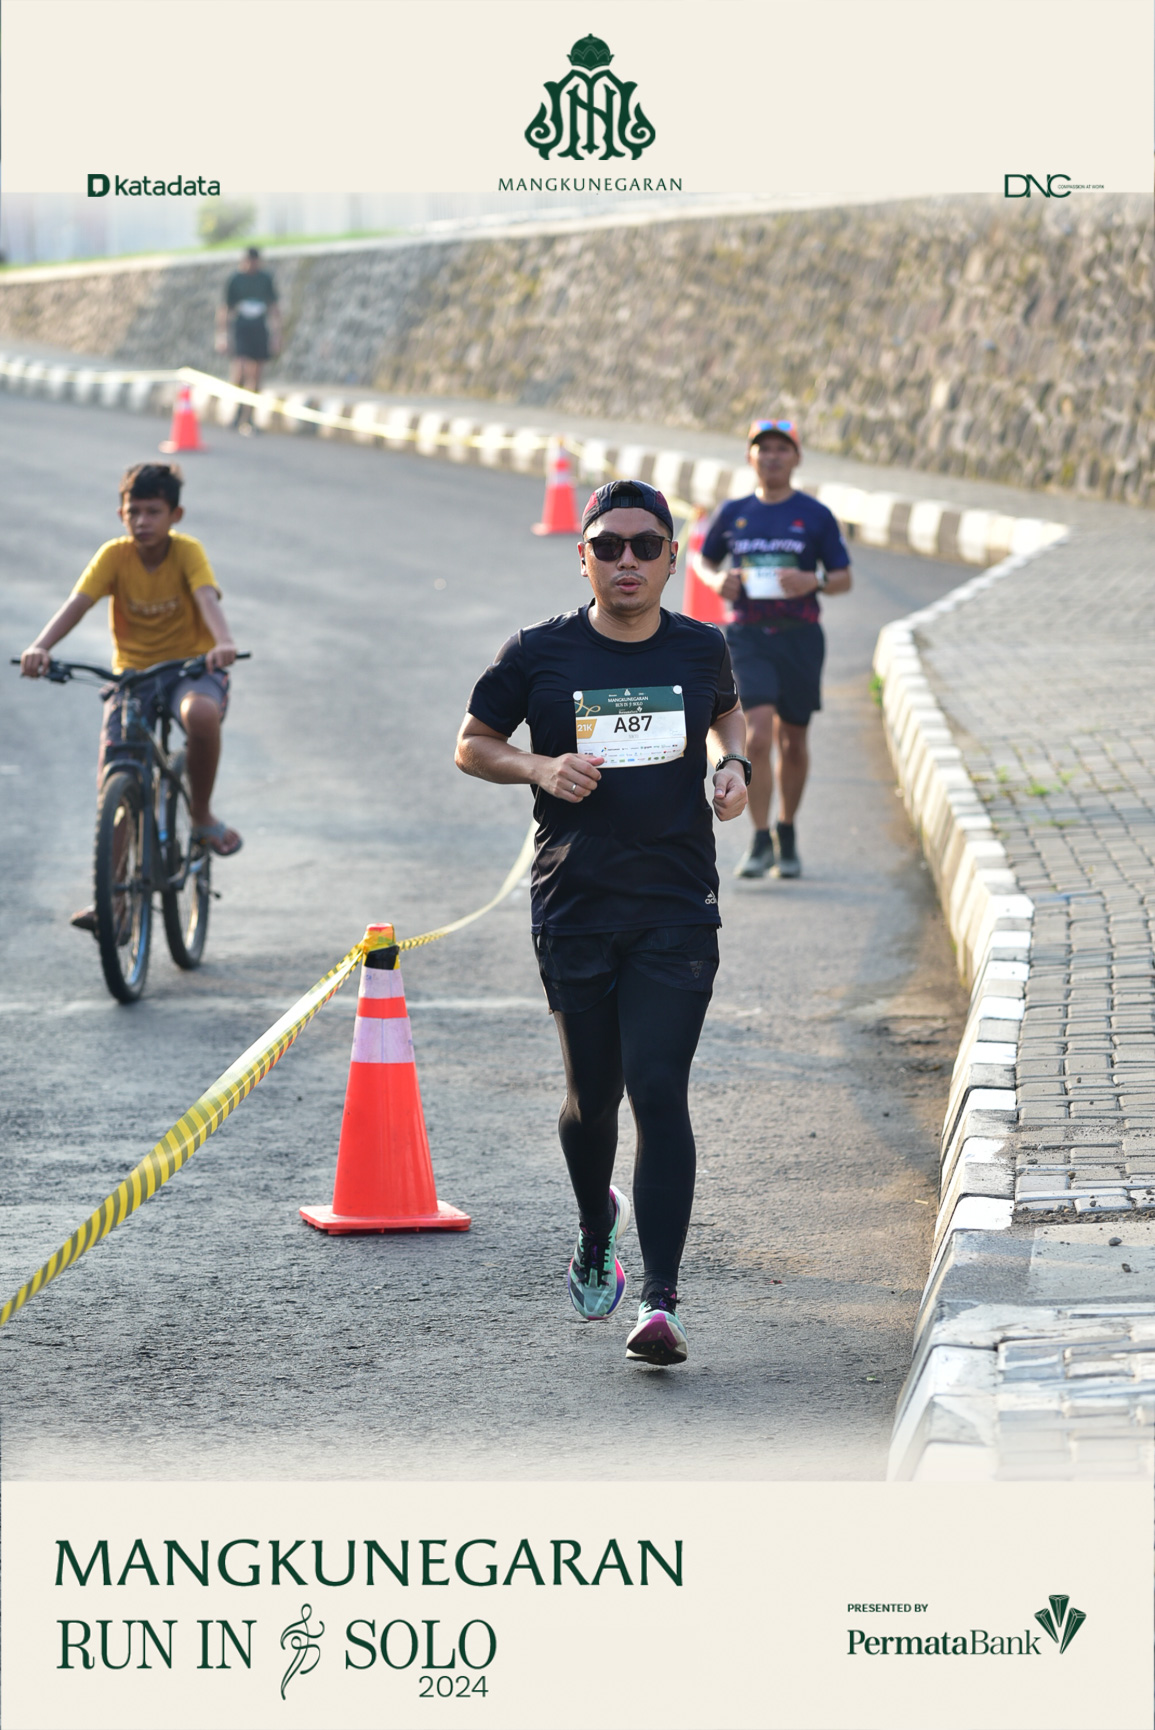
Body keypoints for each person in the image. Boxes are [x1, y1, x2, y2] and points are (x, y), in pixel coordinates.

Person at [455, 479, 750, 1367]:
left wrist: (733, 766)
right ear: (581, 557)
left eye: (645, 546)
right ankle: (595, 1224)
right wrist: (538, 768)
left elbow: (727, 712)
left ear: (670, 558)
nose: (628, 561)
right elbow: (472, 744)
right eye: (609, 546)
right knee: (592, 1101)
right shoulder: (537, 652)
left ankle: (660, 1301)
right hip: (575, 906)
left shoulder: (700, 646)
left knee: (657, 1090)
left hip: (675, 906)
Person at [19, 463, 241, 932]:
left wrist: (223, 642)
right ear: (121, 514)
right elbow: (77, 603)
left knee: (201, 715)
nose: (142, 521)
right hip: (133, 677)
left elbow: (206, 598)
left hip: (189, 668)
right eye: (133, 511)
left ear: (175, 514)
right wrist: (41, 647)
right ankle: (114, 905)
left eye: (153, 511)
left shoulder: (187, 552)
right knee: (117, 780)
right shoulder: (114, 556)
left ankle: (201, 815)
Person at [697, 417, 851, 880]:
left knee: (794, 741)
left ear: (796, 457)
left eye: (782, 449)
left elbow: (843, 578)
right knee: (758, 735)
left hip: (800, 636)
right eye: (763, 449)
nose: (772, 457)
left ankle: (788, 829)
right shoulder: (734, 512)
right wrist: (716, 581)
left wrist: (813, 579)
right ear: (751, 457)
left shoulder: (815, 514)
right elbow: (704, 560)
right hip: (747, 637)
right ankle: (761, 837)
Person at [215, 245, 281, 434]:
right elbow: (225, 308)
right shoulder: (236, 279)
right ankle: (237, 412)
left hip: (259, 327)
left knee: (257, 373)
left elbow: (274, 307)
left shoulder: (265, 279)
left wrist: (277, 335)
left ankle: (250, 416)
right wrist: (222, 335)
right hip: (241, 327)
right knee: (241, 368)